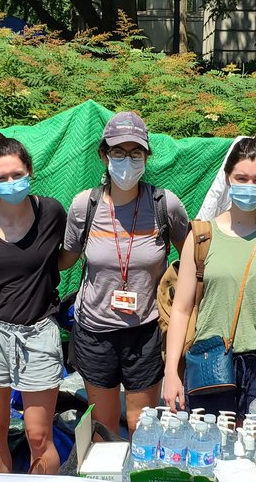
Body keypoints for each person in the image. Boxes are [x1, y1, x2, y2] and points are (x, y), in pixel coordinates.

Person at [58, 112, 189, 434]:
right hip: (94, 332)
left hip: (145, 330)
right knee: (102, 427)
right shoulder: (83, 206)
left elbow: (193, 260)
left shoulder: (165, 205)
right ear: (104, 155)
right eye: (118, 152)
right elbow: (65, 259)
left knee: (141, 425)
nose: (127, 161)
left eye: (135, 153)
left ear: (146, 156)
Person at [163, 136, 256, 417]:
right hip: (211, 362)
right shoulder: (202, 236)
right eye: (241, 178)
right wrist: (171, 372)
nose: (249, 186)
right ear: (228, 179)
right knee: (208, 452)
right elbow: (180, 310)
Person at [0, 131, 66, 473]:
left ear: (30, 171)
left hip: (39, 332)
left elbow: (63, 258)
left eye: (17, 175)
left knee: (40, 436)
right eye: (2, 178)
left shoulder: (52, 212)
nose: (11, 183)